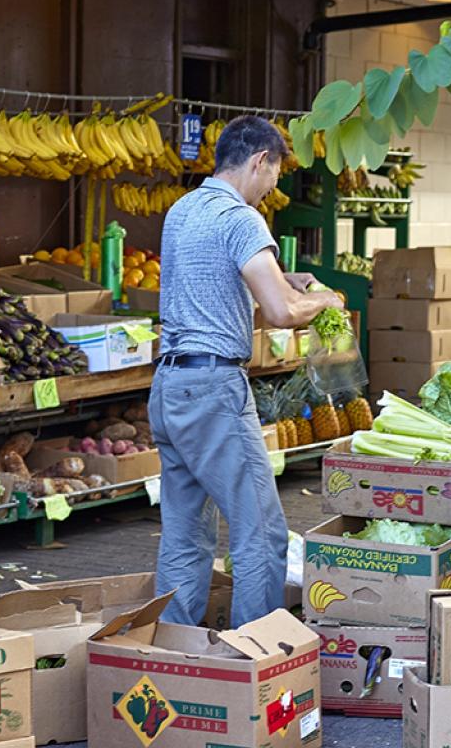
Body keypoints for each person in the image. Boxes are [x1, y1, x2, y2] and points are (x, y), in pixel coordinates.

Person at [151, 115, 341, 626]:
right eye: (273, 179)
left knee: (185, 535)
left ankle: (172, 649)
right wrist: (323, 300)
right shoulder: (241, 218)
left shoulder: (183, 210)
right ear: (260, 161)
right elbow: (280, 313)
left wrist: (283, 279)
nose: (269, 194)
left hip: (169, 386)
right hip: (213, 390)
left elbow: (213, 283)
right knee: (262, 531)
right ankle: (257, 654)